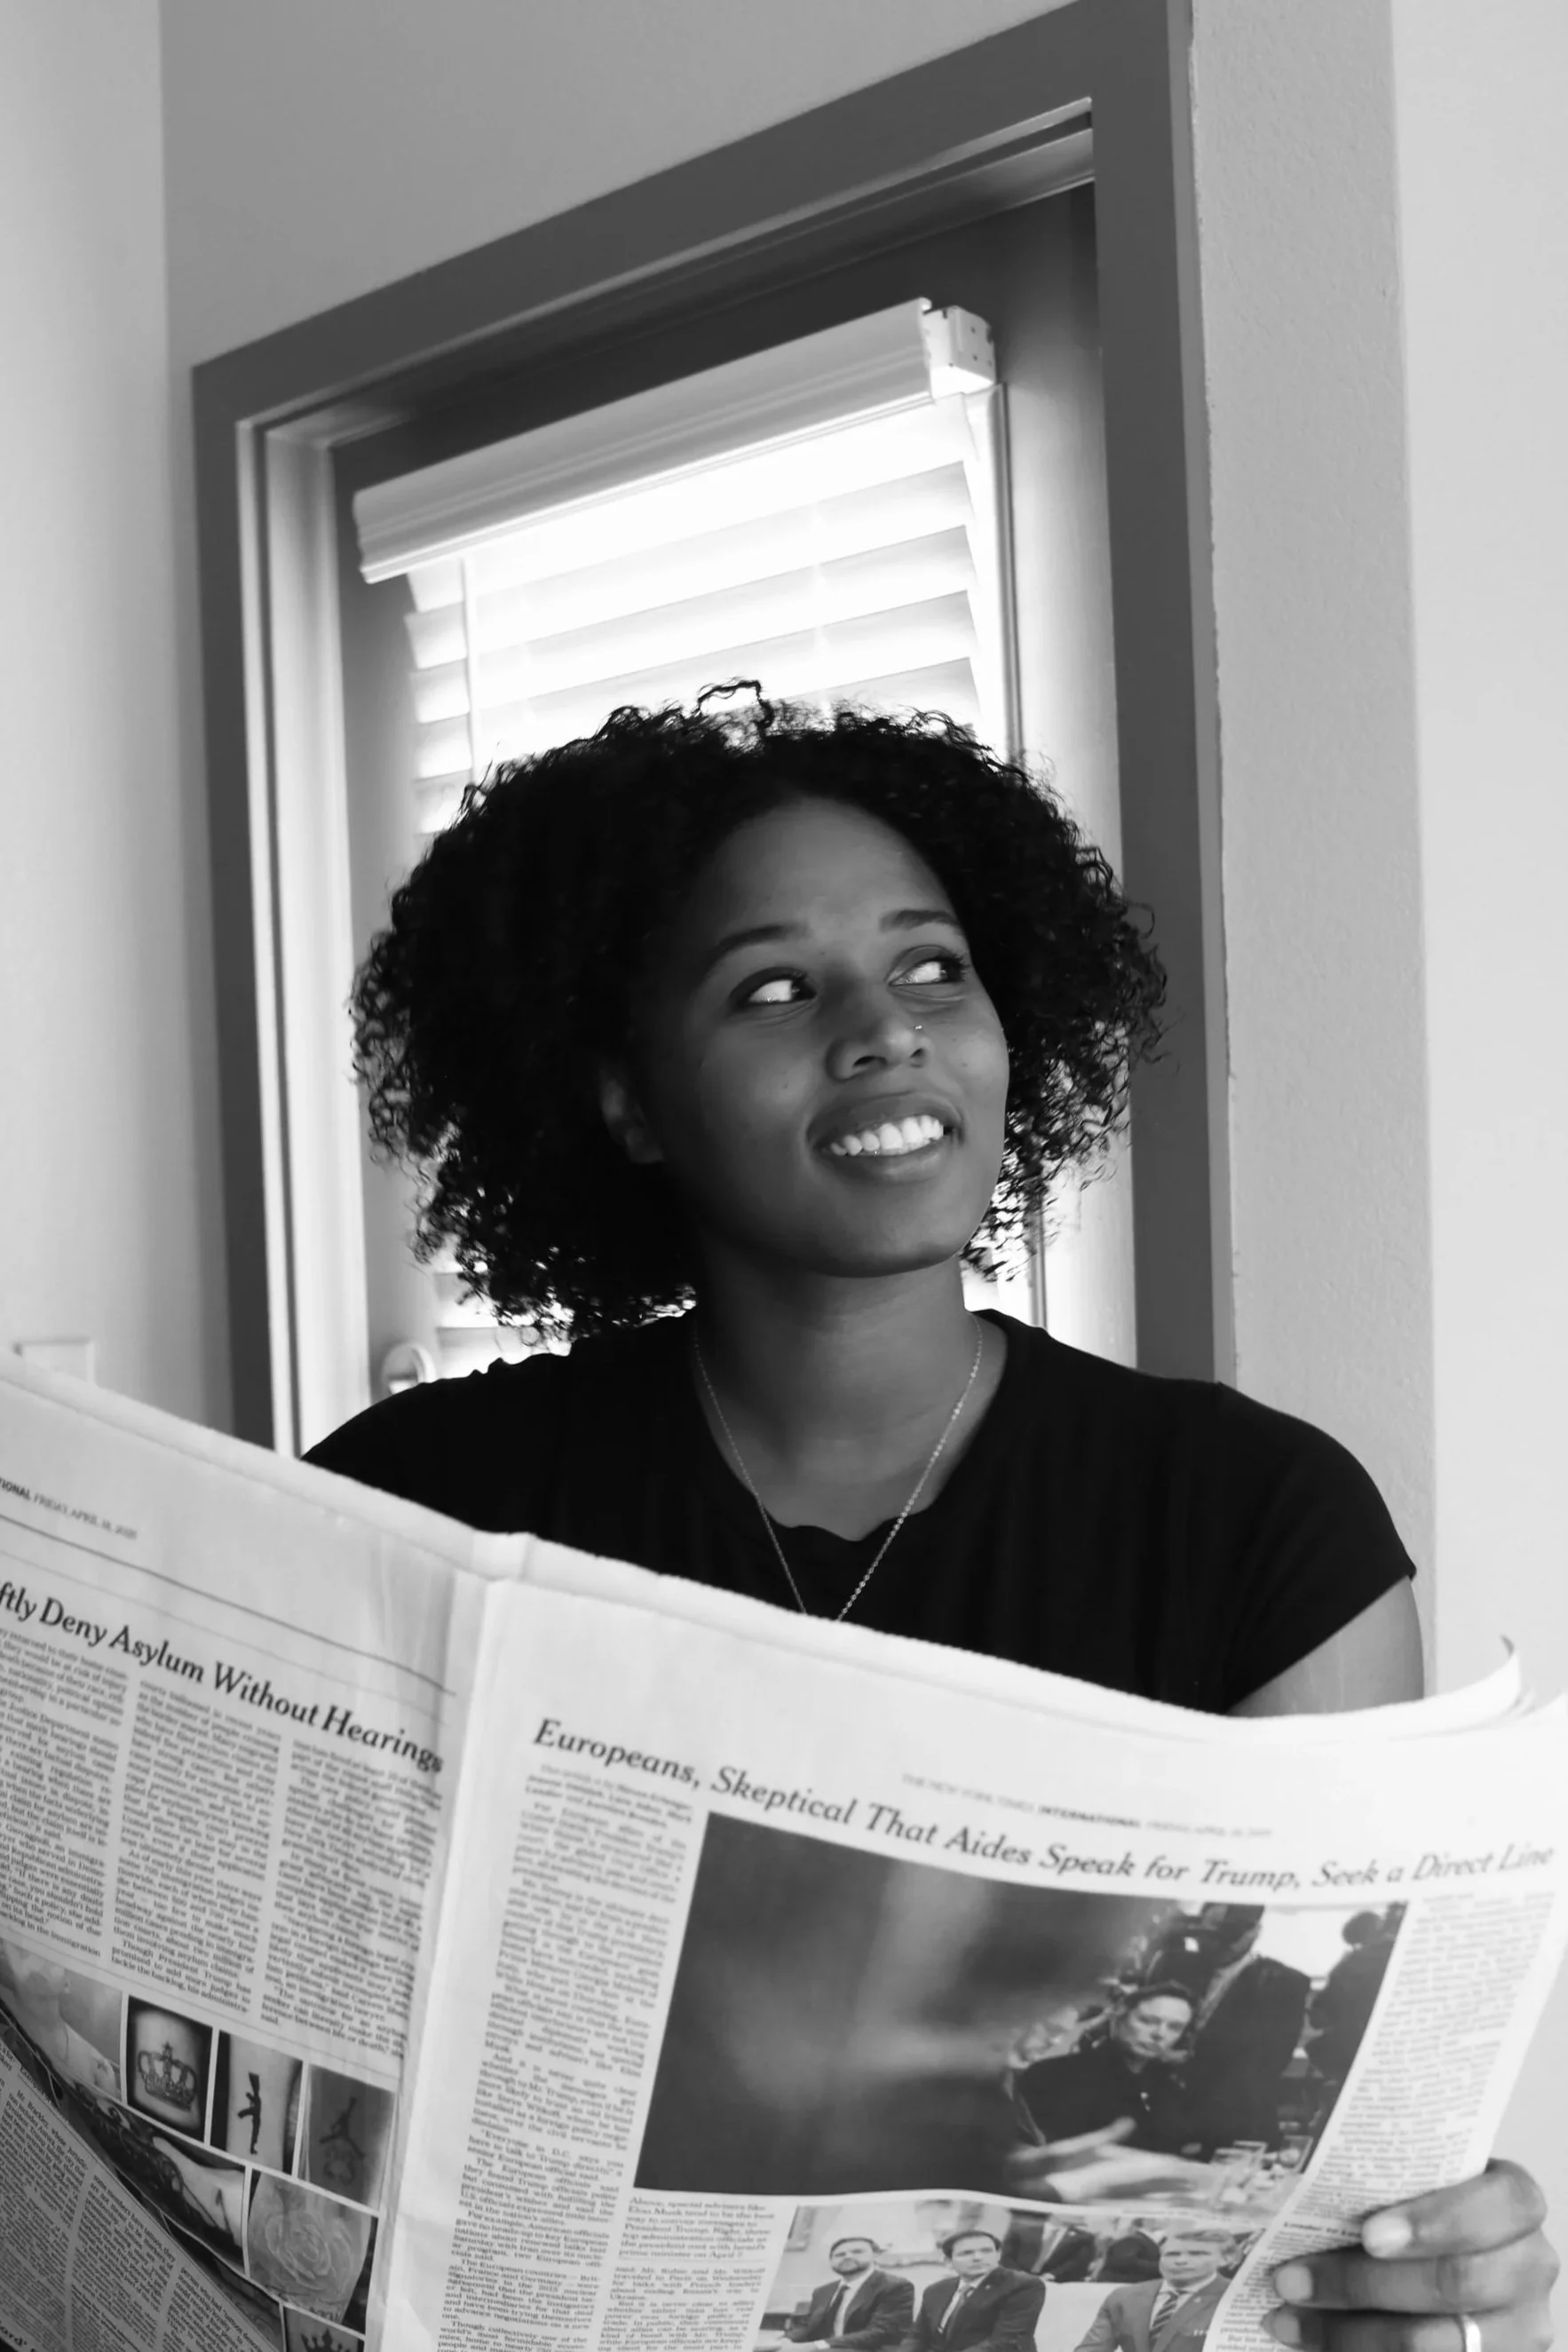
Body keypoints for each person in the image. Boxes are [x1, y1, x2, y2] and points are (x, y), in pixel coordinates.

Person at [307, 684, 1555, 2352]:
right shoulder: (422, 1497)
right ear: (625, 1098)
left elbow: (1320, 2159)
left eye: (932, 967)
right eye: (773, 987)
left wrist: (1429, 2268)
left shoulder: (1255, 1520)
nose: (883, 1029)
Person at [1139, 1906, 1311, 2158]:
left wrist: (1189, 2060)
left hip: (1233, 2120)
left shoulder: (1283, 1983)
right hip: (1161, 2113)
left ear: (1255, 1932)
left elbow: (1268, 2063)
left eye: (1229, 1935)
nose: (1216, 1944)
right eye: (1207, 1935)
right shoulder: (1173, 1964)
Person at [1010, 1984, 1195, 2155]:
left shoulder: (1172, 2092)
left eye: (1175, 2027)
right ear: (1119, 2015)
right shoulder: (1054, 2074)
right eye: (1147, 2021)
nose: (1160, 2034)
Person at [1073, 2229, 1234, 2352]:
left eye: (1197, 2254)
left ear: (1225, 2259)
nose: (1181, 2261)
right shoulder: (1124, 2297)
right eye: (1172, 2254)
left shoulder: (1235, 2297)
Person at [899, 2231, 1044, 2348]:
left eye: (986, 2251)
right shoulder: (936, 2290)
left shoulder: (1022, 2285)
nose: (978, 2258)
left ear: (998, 2255)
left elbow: (1006, 2342)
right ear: (948, 2262)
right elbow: (917, 2336)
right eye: (966, 2253)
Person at [785, 2236, 915, 2346]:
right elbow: (809, 2327)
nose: (847, 2257)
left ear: (875, 2255)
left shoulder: (895, 2286)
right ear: (831, 2261)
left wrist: (818, 2345)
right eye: (840, 2255)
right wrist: (785, 2340)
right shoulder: (823, 2291)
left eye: (857, 2252)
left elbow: (881, 2333)